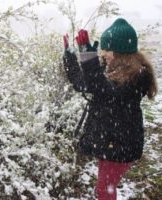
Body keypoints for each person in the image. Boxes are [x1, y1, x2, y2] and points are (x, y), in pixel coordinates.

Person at [62, 18, 158, 200]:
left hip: (121, 144)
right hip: (108, 141)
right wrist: (70, 57)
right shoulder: (110, 69)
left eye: (107, 49)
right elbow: (82, 83)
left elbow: (106, 92)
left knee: (105, 189)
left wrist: (88, 58)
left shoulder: (137, 76)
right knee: (105, 189)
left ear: (120, 51)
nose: (103, 53)